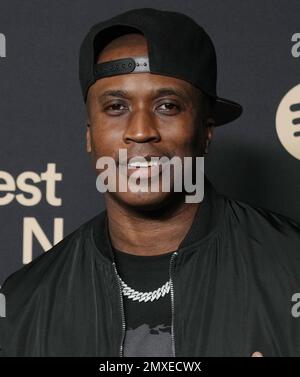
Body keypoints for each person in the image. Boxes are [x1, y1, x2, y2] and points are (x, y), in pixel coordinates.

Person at [0, 7, 300, 357]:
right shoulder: (25, 301)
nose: (141, 131)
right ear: (89, 137)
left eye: (167, 106)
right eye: (115, 107)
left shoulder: (291, 268)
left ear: (206, 131)